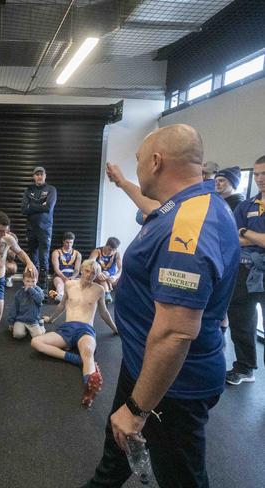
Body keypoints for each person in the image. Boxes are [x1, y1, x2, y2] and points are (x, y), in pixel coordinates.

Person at [84, 124, 239, 487]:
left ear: (156, 162)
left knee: (182, 478)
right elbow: (153, 207)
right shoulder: (187, 204)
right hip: (144, 363)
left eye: (137, 162)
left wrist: (138, 409)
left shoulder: (188, 228)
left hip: (172, 385)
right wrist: (123, 183)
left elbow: (176, 332)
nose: (137, 167)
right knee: (115, 456)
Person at [32, 259, 117, 408]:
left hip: (86, 330)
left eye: (94, 273)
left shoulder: (99, 290)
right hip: (67, 328)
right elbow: (61, 305)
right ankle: (74, 359)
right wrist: (51, 319)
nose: (90, 275)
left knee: (88, 352)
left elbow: (104, 312)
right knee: (36, 342)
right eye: (87, 271)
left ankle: (89, 389)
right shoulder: (69, 285)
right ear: (82, 270)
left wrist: (115, 329)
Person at [226, 155, 265, 385]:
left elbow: (242, 235)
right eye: (257, 174)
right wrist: (252, 238)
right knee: (241, 322)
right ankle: (244, 368)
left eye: (264, 174)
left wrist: (246, 233)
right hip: (243, 271)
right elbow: (232, 237)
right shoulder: (246, 205)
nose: (260, 179)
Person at [21, 166, 57, 291]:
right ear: (33, 177)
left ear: (45, 175)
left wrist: (32, 205)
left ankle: (43, 287)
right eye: (37, 174)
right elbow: (23, 209)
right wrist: (40, 205)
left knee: (44, 258)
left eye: (41, 174)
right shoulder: (28, 190)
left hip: (45, 229)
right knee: (32, 258)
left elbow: (48, 207)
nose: (39, 176)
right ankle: (31, 284)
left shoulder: (51, 189)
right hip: (31, 229)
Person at [7, 269, 45, 340]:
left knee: (39, 337)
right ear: (23, 281)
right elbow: (14, 308)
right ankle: (25, 330)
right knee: (17, 335)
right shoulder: (19, 293)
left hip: (33, 320)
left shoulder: (39, 291)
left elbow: (39, 299)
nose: (30, 284)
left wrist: (31, 290)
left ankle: (41, 324)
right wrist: (11, 322)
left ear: (37, 280)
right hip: (21, 320)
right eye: (27, 281)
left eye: (33, 281)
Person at [49, 232, 82, 302]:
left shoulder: (77, 254)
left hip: (72, 275)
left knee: (79, 287)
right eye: (67, 242)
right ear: (63, 241)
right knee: (59, 285)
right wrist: (64, 278)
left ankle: (56, 294)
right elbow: (56, 269)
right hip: (60, 275)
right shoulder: (56, 252)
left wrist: (72, 278)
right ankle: (59, 295)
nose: (69, 245)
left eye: (71, 242)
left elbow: (77, 270)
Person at [89, 238, 122, 304]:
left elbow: (121, 268)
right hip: (99, 275)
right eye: (109, 249)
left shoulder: (117, 254)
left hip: (111, 277)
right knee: (104, 274)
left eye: (113, 250)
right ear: (106, 245)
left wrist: (115, 277)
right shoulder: (97, 251)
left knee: (124, 276)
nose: (111, 252)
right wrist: (98, 272)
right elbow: (90, 263)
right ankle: (107, 293)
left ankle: (109, 292)